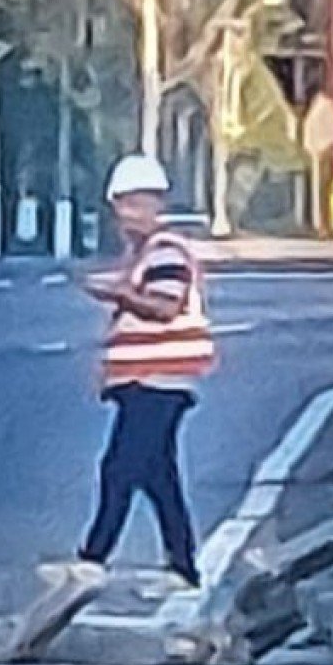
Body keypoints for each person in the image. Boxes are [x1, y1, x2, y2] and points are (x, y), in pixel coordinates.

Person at [71, 155, 216, 589]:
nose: (127, 216)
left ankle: (92, 559)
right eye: (122, 205)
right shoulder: (144, 254)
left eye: (137, 204)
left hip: (160, 380)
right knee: (158, 476)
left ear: (155, 204)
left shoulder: (165, 251)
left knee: (120, 468)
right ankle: (182, 565)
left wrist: (117, 293)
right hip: (145, 380)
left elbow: (165, 306)